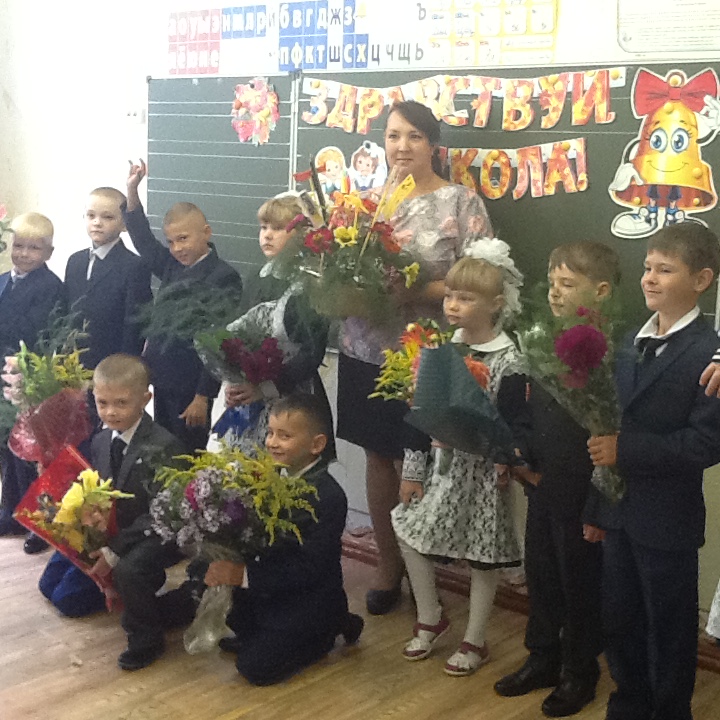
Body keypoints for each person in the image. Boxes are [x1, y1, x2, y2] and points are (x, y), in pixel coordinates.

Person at [336, 100, 493, 615]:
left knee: (421, 460)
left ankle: (425, 571)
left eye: (414, 137)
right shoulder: (367, 203)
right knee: (379, 457)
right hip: (363, 350)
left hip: (424, 355)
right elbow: (341, 266)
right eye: (393, 136)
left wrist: (415, 290)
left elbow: (481, 278)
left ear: (433, 145)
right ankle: (389, 566)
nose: (401, 147)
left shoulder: (460, 202)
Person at [588, 224, 720, 720]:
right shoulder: (630, 341)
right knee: (620, 618)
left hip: (668, 520)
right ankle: (628, 703)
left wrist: (625, 450)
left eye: (665, 270)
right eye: (647, 267)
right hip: (619, 512)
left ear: (701, 279)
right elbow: (608, 426)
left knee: (668, 627)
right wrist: (597, 505)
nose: (649, 278)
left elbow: (704, 444)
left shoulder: (709, 352)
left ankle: (669, 711)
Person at [494, 242, 620, 717]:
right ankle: (542, 657)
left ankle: (579, 670)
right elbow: (529, 407)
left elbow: (608, 426)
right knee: (542, 574)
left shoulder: (610, 352)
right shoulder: (544, 339)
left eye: (567, 284)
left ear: (601, 291)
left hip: (581, 488)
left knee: (578, 582)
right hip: (543, 480)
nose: (554, 292)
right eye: (551, 283)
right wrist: (521, 447)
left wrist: (599, 503)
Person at [391, 241, 527, 676]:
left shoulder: (510, 359)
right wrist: (413, 472)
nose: (452, 305)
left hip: (485, 475)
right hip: (442, 471)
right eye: (449, 295)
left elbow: (512, 422)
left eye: (465, 298)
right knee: (409, 529)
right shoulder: (439, 348)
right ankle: (430, 615)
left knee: (482, 554)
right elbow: (420, 415)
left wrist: (505, 457)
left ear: (496, 304)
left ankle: (476, 638)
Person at [204, 393, 364, 685]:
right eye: (270, 433)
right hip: (273, 588)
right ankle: (331, 621)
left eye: (285, 436)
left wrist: (242, 575)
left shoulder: (328, 497)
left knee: (254, 669)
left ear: (316, 445)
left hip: (307, 596)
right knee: (238, 626)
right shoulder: (269, 477)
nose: (272, 442)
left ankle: (328, 627)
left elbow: (309, 568)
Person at [124, 160, 244, 452]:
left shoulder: (223, 276)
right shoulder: (171, 264)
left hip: (192, 386)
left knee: (186, 455)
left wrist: (203, 396)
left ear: (206, 233)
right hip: (161, 377)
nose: (177, 248)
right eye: (171, 241)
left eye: (183, 239)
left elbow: (218, 340)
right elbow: (142, 239)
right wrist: (132, 190)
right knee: (162, 452)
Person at [82, 354, 184, 669]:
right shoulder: (101, 440)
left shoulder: (163, 445)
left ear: (145, 399)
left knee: (129, 569)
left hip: (162, 531)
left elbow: (166, 511)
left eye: (121, 403)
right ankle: (143, 597)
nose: (110, 412)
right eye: (102, 403)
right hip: (124, 528)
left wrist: (115, 549)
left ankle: (147, 639)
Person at [216, 194, 332, 457]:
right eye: (263, 227)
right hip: (249, 396)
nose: (267, 235)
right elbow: (237, 335)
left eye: (278, 228)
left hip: (293, 398)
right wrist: (233, 381)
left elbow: (311, 353)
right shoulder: (256, 276)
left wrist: (265, 388)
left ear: (302, 234)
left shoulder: (311, 283)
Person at [0, 213, 65, 552]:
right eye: (19, 246)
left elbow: (41, 335)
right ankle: (11, 510)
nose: (24, 254)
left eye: (34, 248)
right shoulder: (3, 280)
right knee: (7, 448)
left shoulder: (51, 287)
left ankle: (37, 521)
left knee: (31, 452)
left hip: (30, 377)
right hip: (3, 376)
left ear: (49, 252)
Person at [65, 187, 152, 370]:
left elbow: (134, 324)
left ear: (124, 224)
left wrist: (124, 365)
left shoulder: (134, 266)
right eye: (91, 215)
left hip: (111, 363)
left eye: (108, 217)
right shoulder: (75, 261)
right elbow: (66, 311)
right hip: (73, 362)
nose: (97, 222)